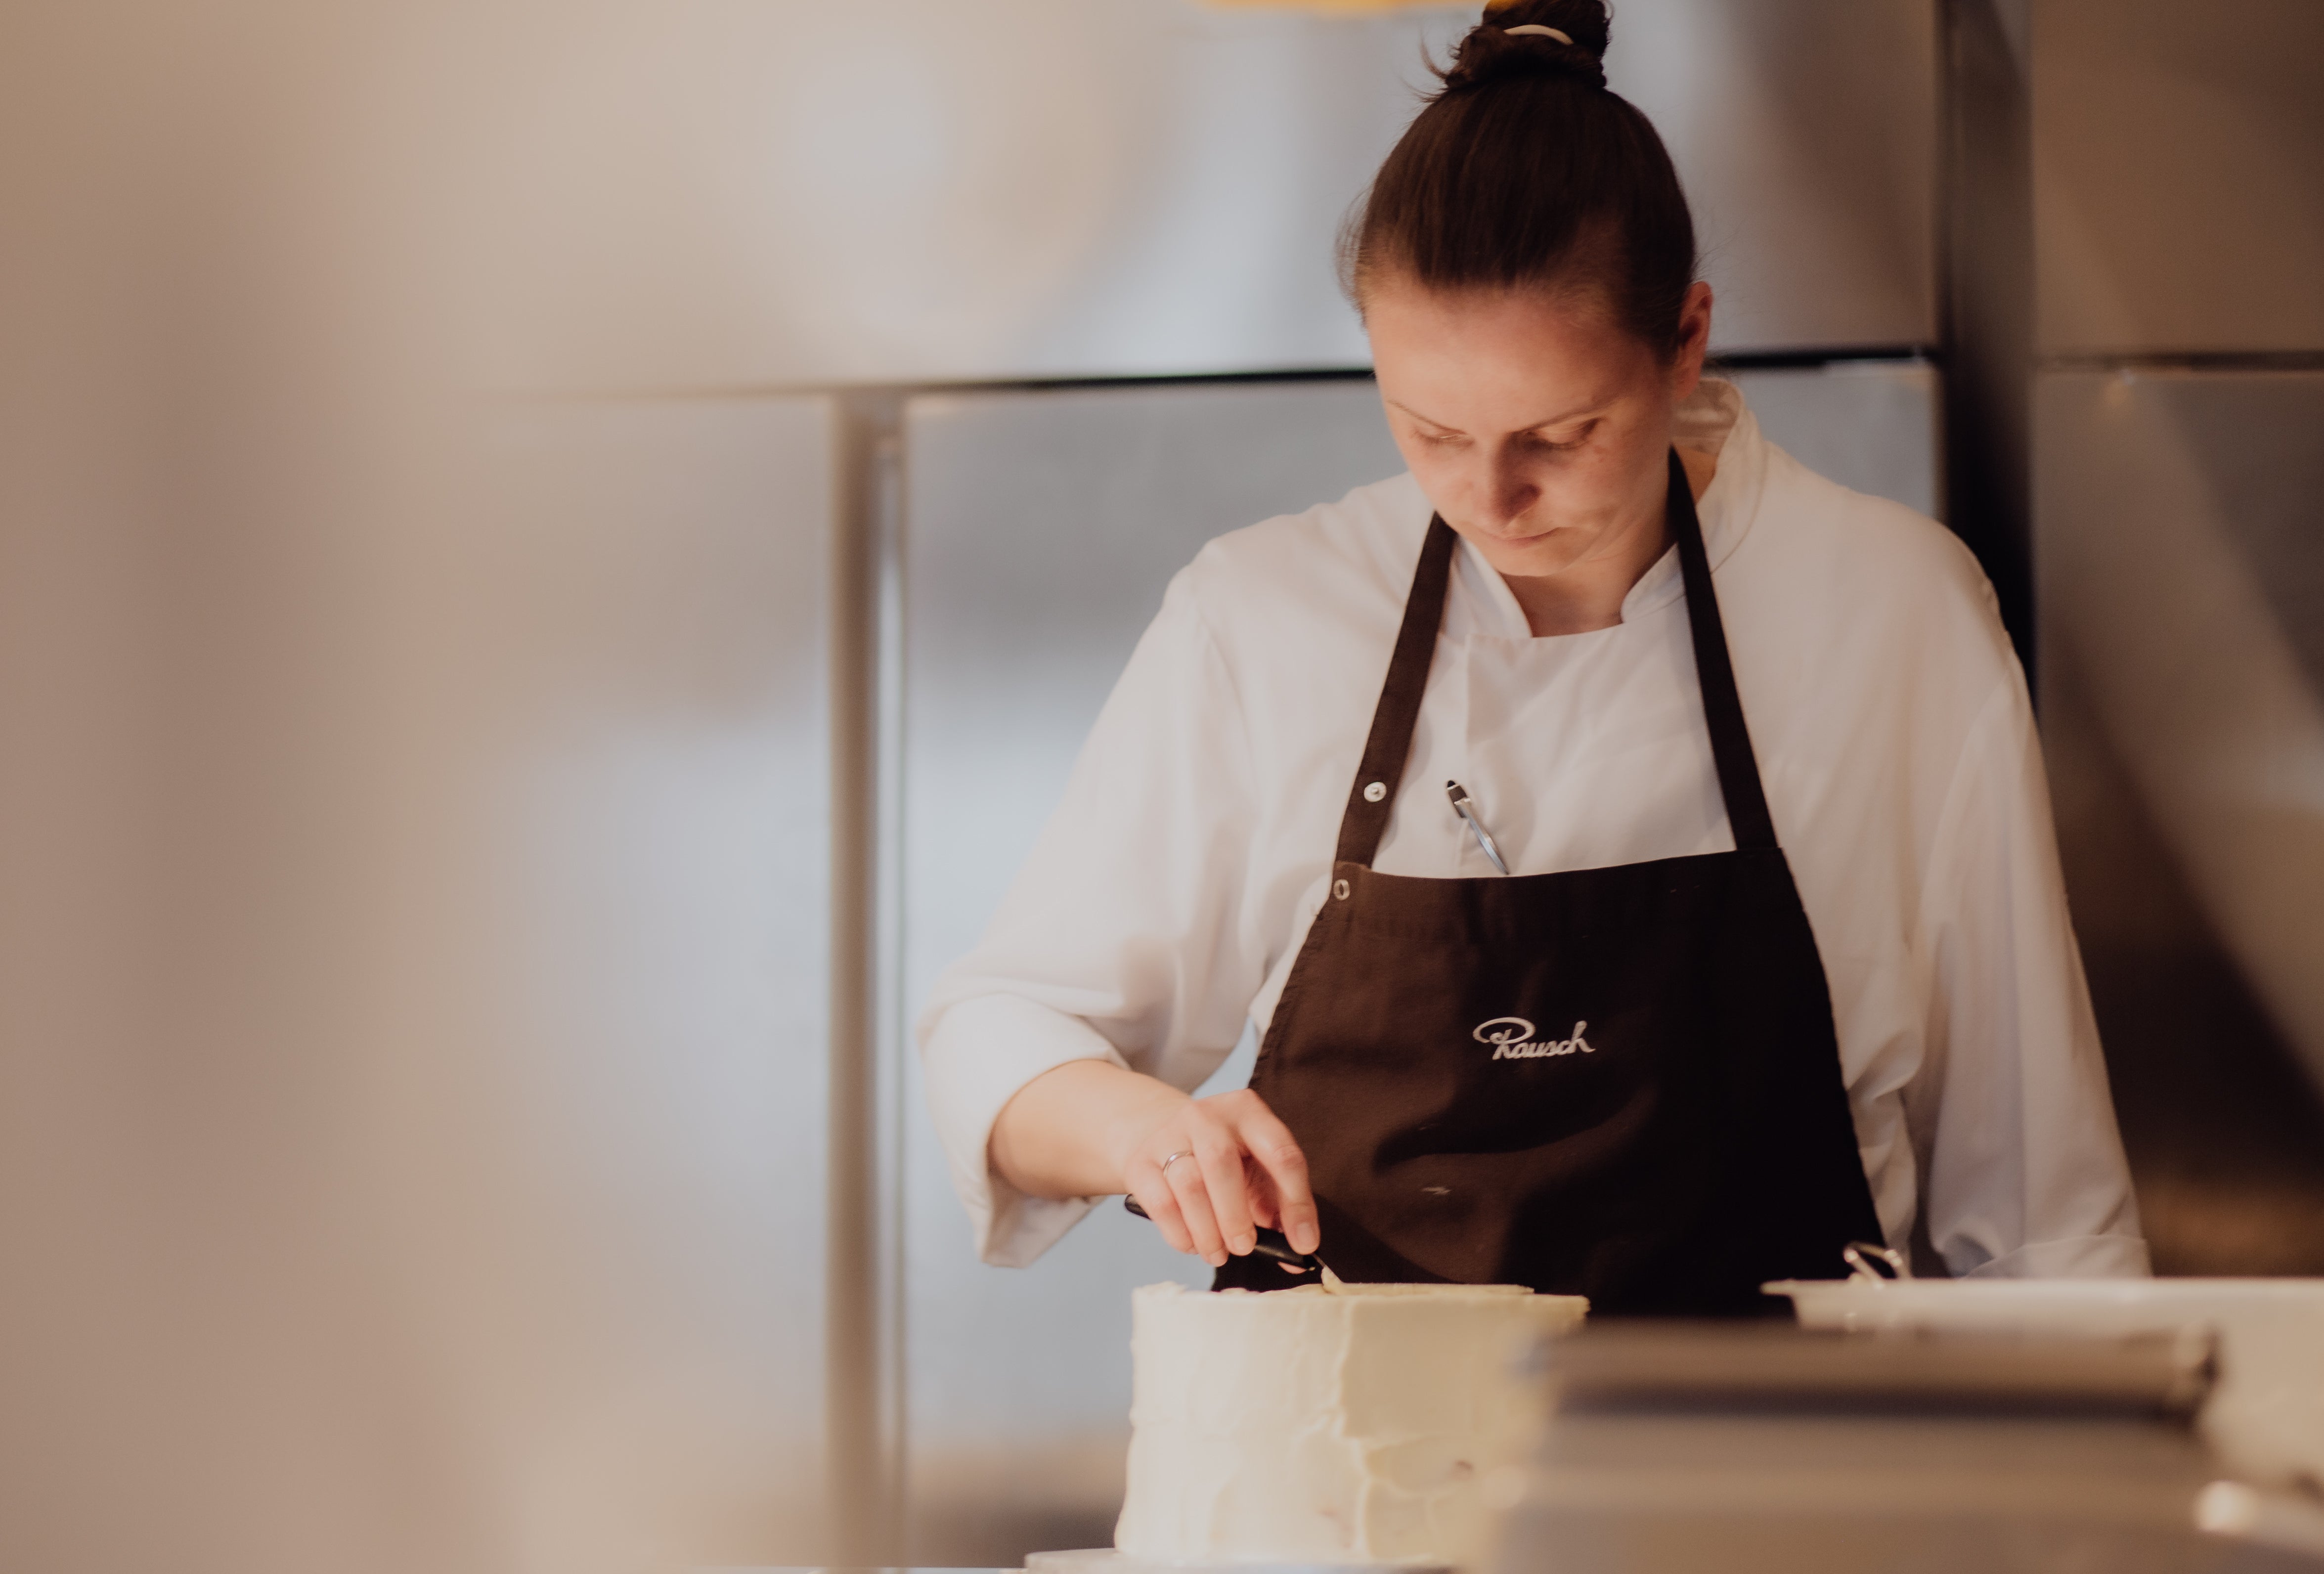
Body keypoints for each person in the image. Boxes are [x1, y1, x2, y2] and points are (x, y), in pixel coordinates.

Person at [916, 0, 2147, 1315]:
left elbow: (2034, 1217)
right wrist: (1145, 1132)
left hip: (1788, 1488)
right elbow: (1002, 1034)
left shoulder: (1894, 613)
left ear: (1685, 338)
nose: (1490, 497)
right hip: (1344, 1500)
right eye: (1429, 429)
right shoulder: (1266, 618)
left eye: (1559, 434)